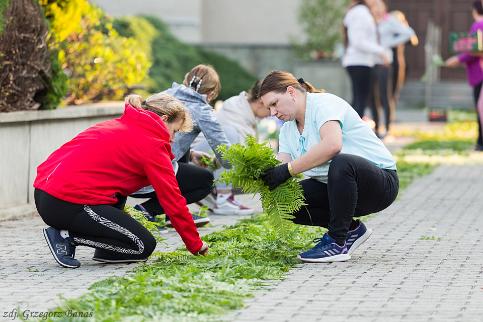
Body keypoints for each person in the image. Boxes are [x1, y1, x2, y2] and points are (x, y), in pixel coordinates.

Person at [34, 94, 209, 269]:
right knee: (143, 246)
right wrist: (196, 245)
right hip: (67, 202)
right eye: (175, 131)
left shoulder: (120, 124)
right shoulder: (152, 144)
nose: (172, 139)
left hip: (45, 193)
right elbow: (172, 200)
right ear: (163, 119)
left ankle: (106, 248)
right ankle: (66, 236)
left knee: (120, 199)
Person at [259, 71, 399, 263]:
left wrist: (289, 170)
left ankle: (337, 242)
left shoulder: (323, 104)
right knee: (284, 201)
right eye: (269, 108)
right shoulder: (287, 130)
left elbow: (333, 145)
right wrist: (263, 174)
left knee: (341, 162)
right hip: (340, 191)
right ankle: (351, 229)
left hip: (379, 184)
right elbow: (281, 166)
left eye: (274, 104)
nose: (273, 113)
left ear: (291, 92)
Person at [133, 64, 254, 217]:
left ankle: (171, 214)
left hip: (128, 173)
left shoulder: (162, 96)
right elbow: (227, 160)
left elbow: (161, 140)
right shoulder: (203, 111)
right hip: (150, 181)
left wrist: (191, 155)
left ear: (186, 79)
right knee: (205, 182)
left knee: (186, 139)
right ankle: (147, 211)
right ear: (212, 92)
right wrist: (246, 162)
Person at [192, 80, 270, 215]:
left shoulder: (246, 111)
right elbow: (242, 153)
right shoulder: (234, 108)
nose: (273, 112)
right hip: (196, 160)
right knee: (229, 134)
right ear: (261, 102)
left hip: (208, 161)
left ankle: (217, 196)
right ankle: (224, 197)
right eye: (271, 107)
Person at [368, 0, 415, 138]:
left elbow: (408, 33)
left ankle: (387, 127)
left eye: (378, 6)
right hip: (370, 62)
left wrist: (389, 43)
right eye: (373, 6)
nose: (375, 9)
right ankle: (376, 127)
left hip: (384, 63)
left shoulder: (389, 21)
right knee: (372, 97)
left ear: (383, 7)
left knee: (385, 95)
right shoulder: (369, 21)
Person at [445, 1, 483, 151]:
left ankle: (481, 142)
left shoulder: (478, 25)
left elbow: (474, 50)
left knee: (480, 108)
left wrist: (457, 59)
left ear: (474, 10)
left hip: (479, 73)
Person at [343, 0, 390, 118]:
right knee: (360, 102)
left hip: (358, 61)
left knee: (359, 100)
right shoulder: (361, 13)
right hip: (360, 62)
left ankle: (349, 132)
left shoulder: (359, 11)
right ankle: (351, 133)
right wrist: (381, 51)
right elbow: (358, 41)